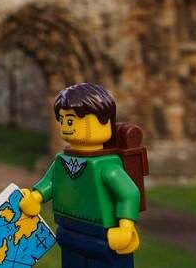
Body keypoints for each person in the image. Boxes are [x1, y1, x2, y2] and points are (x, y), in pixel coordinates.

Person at [19, 83, 141, 268]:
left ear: (103, 121)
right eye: (62, 120)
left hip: (103, 236)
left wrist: (126, 226)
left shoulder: (106, 167)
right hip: (68, 231)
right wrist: (35, 197)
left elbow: (129, 193)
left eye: (71, 120)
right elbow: (50, 182)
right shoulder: (62, 161)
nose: (65, 126)